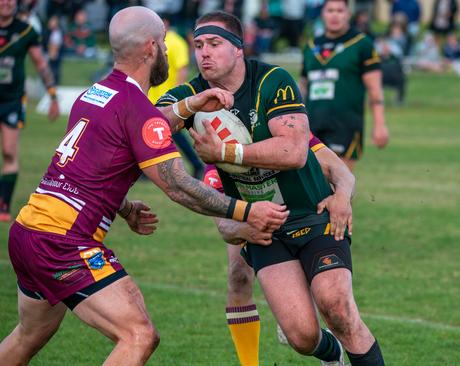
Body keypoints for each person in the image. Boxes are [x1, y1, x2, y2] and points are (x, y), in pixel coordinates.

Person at [0, 6, 287, 365]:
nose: (168, 51)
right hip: (62, 243)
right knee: (138, 335)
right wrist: (248, 211)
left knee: (28, 337)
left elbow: (86, 167)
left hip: (28, 231)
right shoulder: (135, 106)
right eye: (165, 44)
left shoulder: (97, 94)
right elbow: (179, 186)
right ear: (151, 48)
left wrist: (124, 206)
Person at [156, 10, 385, 366]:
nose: (204, 53)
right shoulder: (193, 94)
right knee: (302, 337)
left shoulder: (272, 81)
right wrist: (190, 105)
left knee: (336, 307)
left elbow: (296, 153)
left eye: (214, 44)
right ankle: (330, 353)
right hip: (266, 229)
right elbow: (152, 127)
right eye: (198, 45)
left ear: (237, 48)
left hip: (313, 213)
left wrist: (342, 195)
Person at [201, 134, 355, 366]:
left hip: (300, 212)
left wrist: (342, 196)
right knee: (238, 277)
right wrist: (244, 231)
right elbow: (225, 228)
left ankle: (301, 310)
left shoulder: (283, 124)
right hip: (250, 212)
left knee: (320, 300)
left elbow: (338, 169)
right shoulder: (220, 154)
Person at [301, 0, 389, 172]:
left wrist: (380, 124)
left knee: (340, 186)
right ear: (322, 14)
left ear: (348, 14)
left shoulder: (362, 44)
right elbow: (303, 86)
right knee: (313, 189)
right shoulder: (311, 46)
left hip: (345, 124)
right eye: (330, 10)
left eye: (340, 10)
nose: (335, 15)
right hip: (313, 123)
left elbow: (375, 89)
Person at [0, 0, 60, 222]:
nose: (6, 3)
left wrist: (52, 95)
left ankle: (4, 205)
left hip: (12, 101)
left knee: (8, 151)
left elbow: (41, 64)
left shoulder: (25, 30)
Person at [148, 14, 205, 179]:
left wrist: (176, 93)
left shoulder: (175, 42)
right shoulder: (157, 41)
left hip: (166, 97)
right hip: (153, 97)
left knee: (174, 134)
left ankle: (195, 164)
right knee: (161, 134)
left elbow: (182, 68)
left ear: (165, 23)